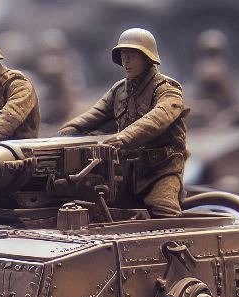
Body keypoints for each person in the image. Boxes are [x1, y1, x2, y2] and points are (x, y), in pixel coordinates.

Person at [59, 28, 190, 217]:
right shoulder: (119, 90)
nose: (126, 61)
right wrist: (67, 132)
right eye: (123, 56)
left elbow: (160, 116)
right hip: (128, 171)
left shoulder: (167, 89)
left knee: (162, 207)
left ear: (147, 58)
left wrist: (123, 138)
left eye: (131, 56)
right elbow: (94, 115)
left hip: (162, 169)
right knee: (100, 208)